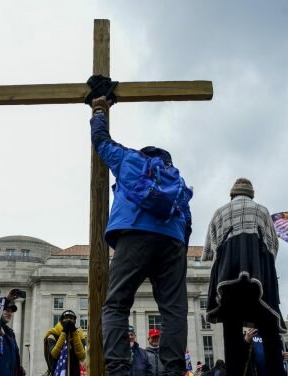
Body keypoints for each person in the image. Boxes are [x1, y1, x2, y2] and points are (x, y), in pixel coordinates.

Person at [89, 96, 193, 376]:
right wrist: (179, 249)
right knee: (174, 310)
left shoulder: (129, 159)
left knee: (116, 304)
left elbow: (100, 139)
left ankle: (118, 369)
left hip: (134, 235)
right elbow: (187, 219)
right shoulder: (175, 178)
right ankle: (174, 371)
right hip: (172, 241)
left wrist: (99, 109)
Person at [202, 178, 285, 375]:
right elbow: (273, 245)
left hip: (228, 280)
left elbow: (208, 252)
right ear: (251, 194)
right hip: (259, 278)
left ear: (232, 194)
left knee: (231, 333)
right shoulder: (262, 211)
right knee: (269, 330)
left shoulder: (219, 213)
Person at [43, 310, 86, 376]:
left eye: (71, 318)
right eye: (66, 318)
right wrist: (64, 332)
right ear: (61, 320)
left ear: (75, 321)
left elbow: (82, 355)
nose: (68, 320)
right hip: (58, 371)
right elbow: (54, 354)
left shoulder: (79, 336)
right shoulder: (52, 335)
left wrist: (74, 332)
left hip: (75, 372)